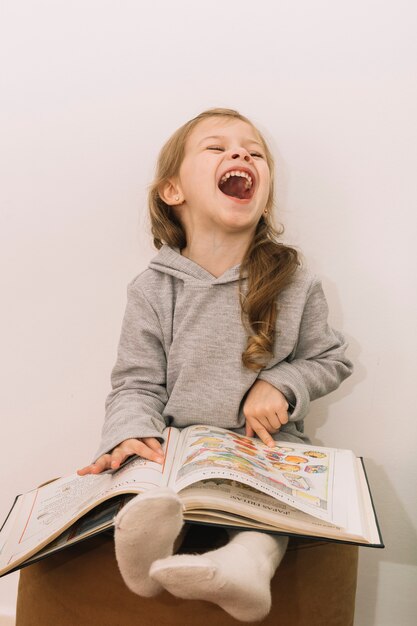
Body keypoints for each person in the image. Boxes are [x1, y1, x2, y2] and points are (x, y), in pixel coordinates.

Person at [77, 108, 353, 622]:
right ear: (173, 192)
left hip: (265, 447)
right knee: (145, 479)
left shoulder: (294, 281)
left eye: (254, 151)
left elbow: (330, 358)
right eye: (216, 146)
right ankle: (146, 554)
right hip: (177, 445)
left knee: (275, 514)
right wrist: (130, 432)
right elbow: (135, 382)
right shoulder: (153, 288)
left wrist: (282, 383)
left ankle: (246, 567)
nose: (241, 153)